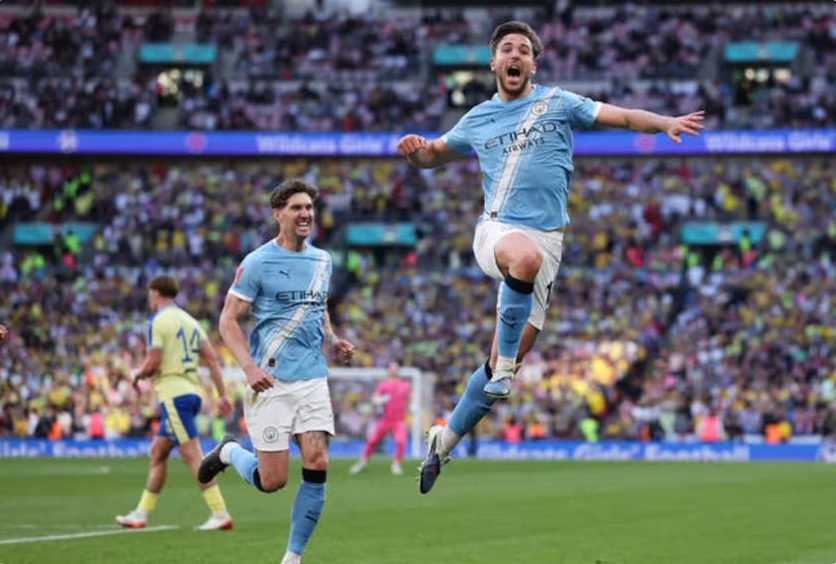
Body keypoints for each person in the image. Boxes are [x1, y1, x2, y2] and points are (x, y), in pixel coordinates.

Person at [397, 21, 704, 494]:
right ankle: (502, 371)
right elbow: (434, 155)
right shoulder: (478, 117)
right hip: (498, 229)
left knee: (506, 357)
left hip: (548, 242)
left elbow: (622, 117)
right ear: (493, 63)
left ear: (533, 65)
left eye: (523, 50)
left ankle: (443, 442)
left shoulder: (558, 103)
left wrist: (664, 123)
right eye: (506, 48)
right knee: (521, 267)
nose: (514, 55)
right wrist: (414, 152)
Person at [197, 179, 354, 564]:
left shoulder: (323, 260)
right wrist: (248, 368)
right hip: (271, 383)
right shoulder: (257, 262)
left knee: (317, 461)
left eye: (309, 208)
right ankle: (230, 451)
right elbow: (227, 321)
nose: (306, 214)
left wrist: (334, 340)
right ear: (277, 215)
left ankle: (292, 557)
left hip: (313, 380)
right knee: (272, 481)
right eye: (297, 208)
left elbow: (318, 306)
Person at [116, 275, 234, 530]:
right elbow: (212, 359)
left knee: (192, 456)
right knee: (158, 453)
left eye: (150, 294)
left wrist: (138, 374)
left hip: (174, 395)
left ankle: (220, 513)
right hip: (191, 392)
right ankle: (141, 514)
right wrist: (222, 394)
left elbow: (153, 362)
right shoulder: (191, 322)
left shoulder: (158, 321)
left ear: (155, 293)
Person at [350, 362, 411, 476]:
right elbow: (375, 398)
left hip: (399, 420)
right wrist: (380, 399)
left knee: (401, 441)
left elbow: (408, 401)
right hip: (386, 419)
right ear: (388, 371)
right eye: (392, 369)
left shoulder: (405, 385)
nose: (394, 371)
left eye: (396, 369)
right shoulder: (384, 384)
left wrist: (408, 413)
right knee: (372, 441)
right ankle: (363, 462)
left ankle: (396, 464)